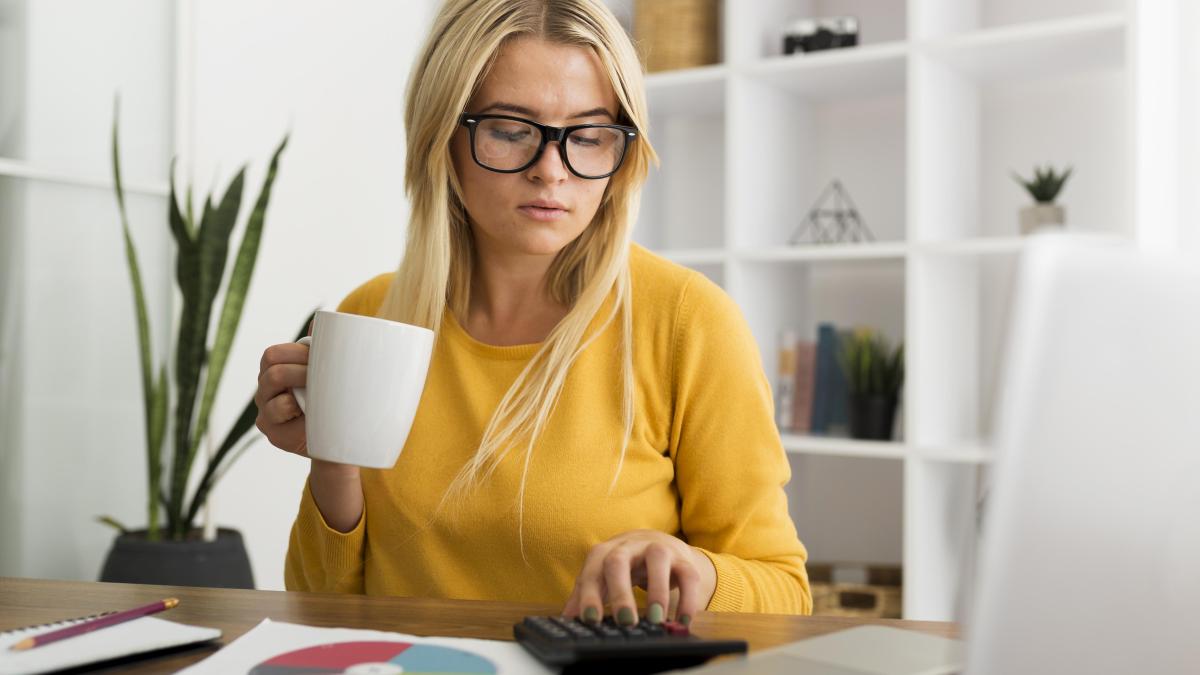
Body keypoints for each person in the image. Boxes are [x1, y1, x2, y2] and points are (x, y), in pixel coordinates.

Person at [255, 0, 811, 627]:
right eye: (511, 130)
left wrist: (696, 571)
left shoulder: (688, 322)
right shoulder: (372, 317)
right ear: (444, 134)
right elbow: (320, 609)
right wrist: (333, 458)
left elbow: (783, 592)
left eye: (589, 134)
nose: (552, 170)